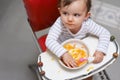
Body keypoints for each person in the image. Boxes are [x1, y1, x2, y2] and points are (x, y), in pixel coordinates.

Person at [45, 0, 110, 80]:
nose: (69, 19)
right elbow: (49, 40)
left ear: (86, 16)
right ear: (60, 11)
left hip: (82, 52)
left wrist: (100, 51)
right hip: (61, 51)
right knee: (61, 74)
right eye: (65, 13)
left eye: (76, 15)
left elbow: (105, 33)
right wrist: (63, 54)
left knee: (87, 75)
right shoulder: (60, 23)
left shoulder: (87, 24)